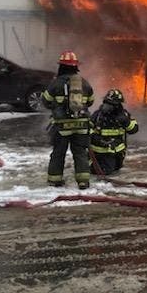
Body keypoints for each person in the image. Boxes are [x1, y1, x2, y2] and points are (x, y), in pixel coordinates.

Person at [41, 51, 95, 189]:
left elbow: (45, 101)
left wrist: (57, 106)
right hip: (81, 125)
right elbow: (90, 101)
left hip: (61, 127)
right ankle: (83, 181)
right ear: (76, 67)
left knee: (59, 153)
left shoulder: (55, 83)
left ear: (61, 67)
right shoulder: (84, 83)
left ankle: (55, 180)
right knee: (80, 153)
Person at [89, 88, 139, 176]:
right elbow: (87, 129)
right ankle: (89, 166)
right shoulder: (98, 115)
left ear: (117, 105)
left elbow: (134, 129)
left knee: (117, 170)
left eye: (110, 104)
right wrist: (96, 139)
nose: (106, 106)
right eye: (106, 103)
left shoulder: (124, 115)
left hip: (118, 152)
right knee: (105, 172)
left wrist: (126, 122)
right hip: (102, 152)